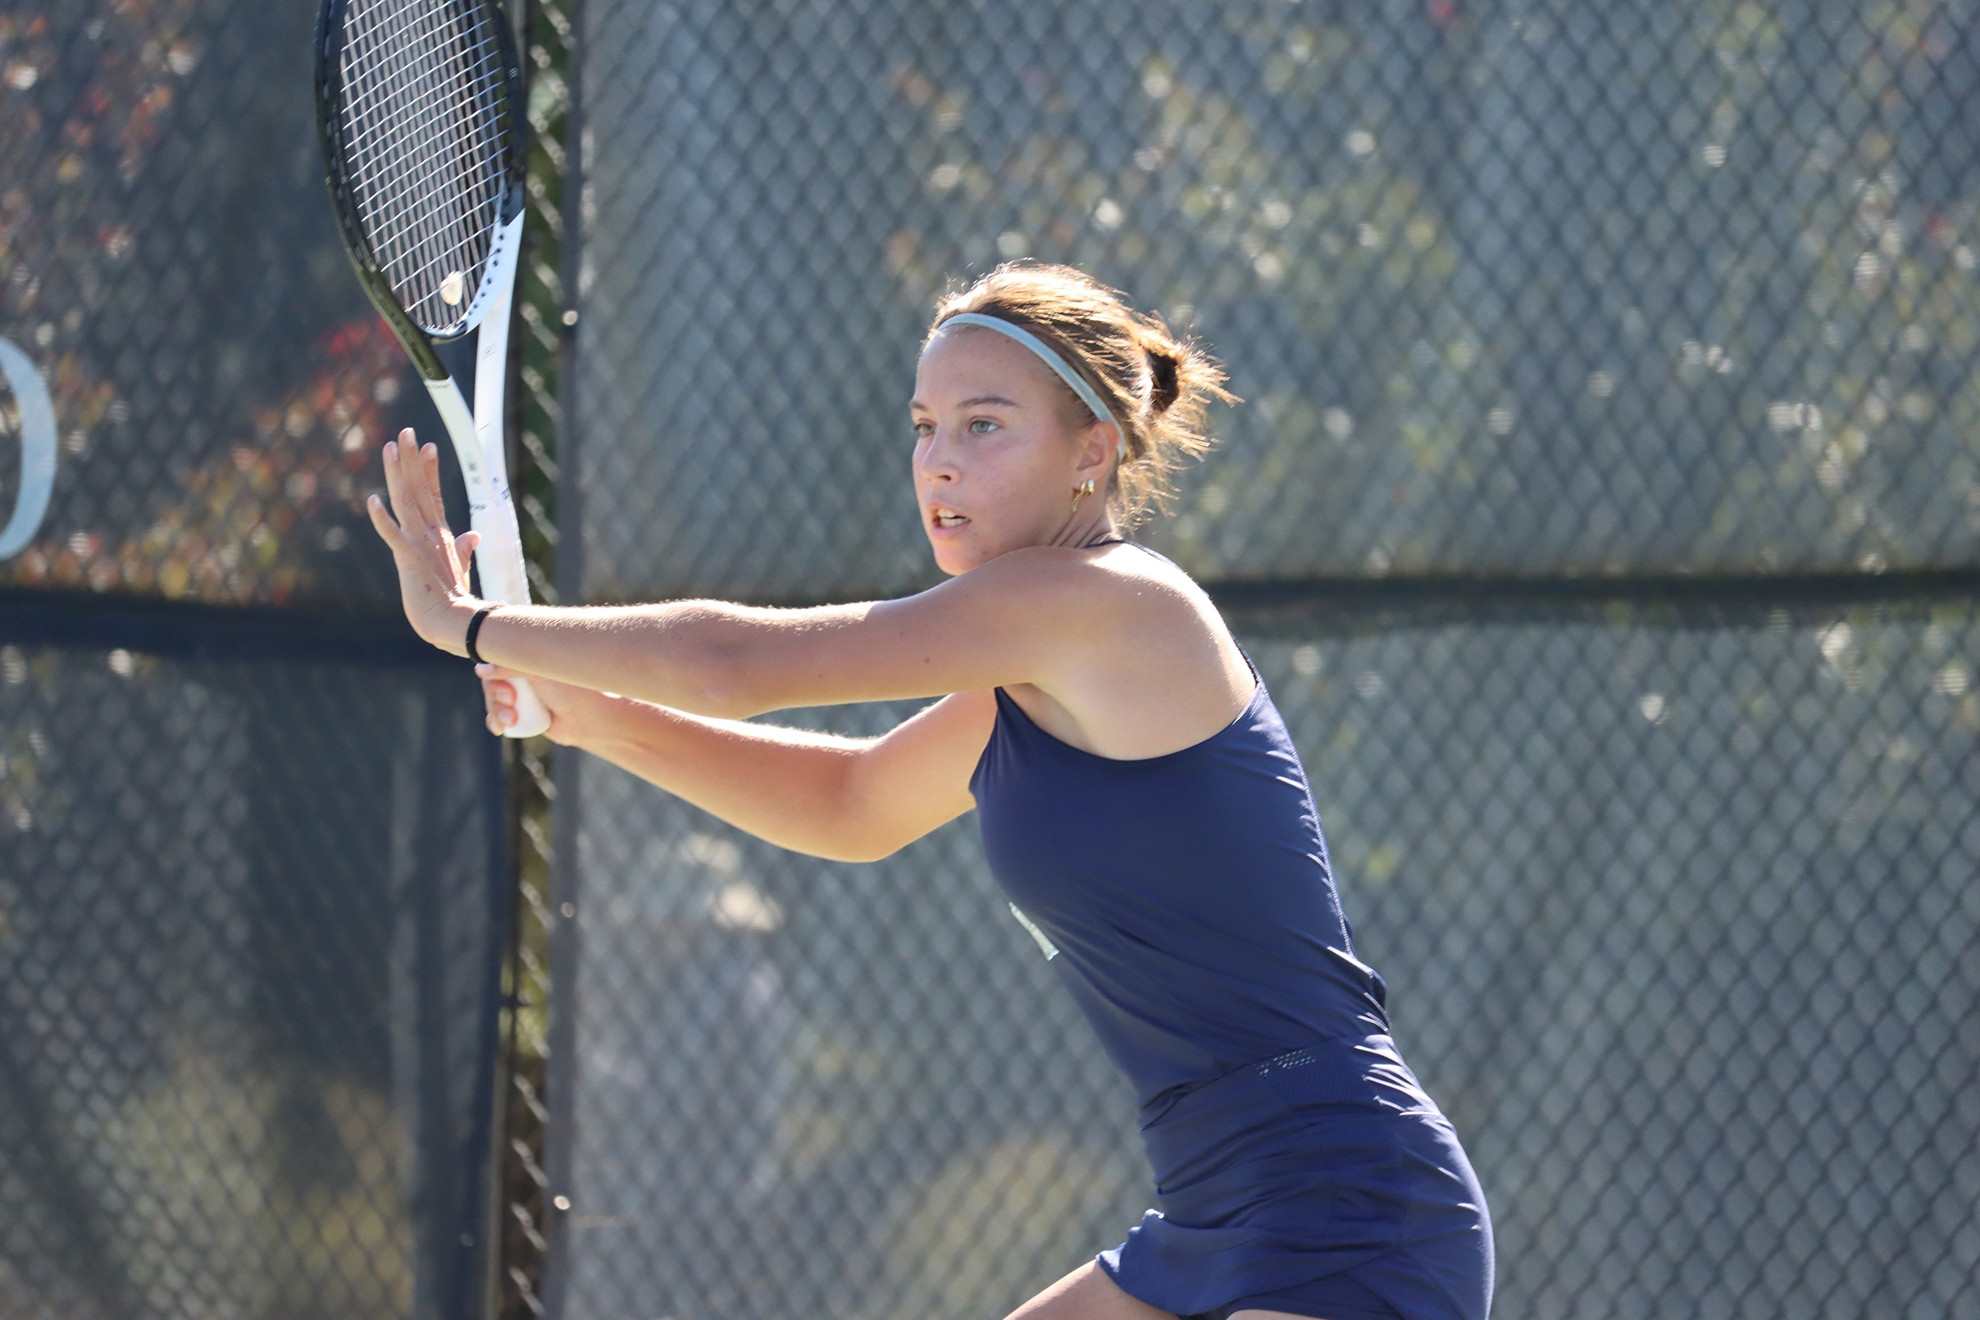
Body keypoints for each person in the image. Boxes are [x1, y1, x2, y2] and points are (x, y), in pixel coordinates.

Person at [367, 262, 1493, 1320]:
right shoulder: (1033, 674)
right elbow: (851, 805)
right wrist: (580, 714)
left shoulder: (1107, 604)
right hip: (1215, 1204)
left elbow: (737, 669)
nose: (938, 461)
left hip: (1349, 1197)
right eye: (924, 429)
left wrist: (472, 627)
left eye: (984, 426)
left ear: (1089, 452)